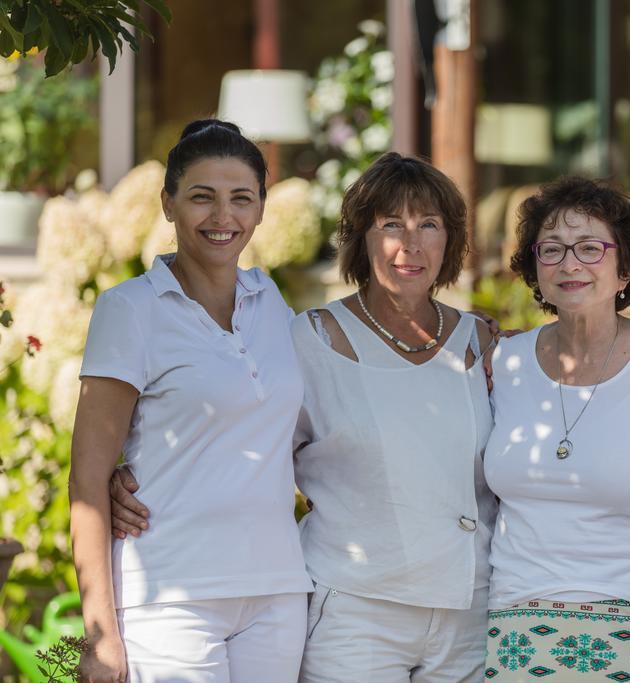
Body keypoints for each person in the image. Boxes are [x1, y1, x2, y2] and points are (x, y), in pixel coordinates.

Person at [109, 152, 496, 682]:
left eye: (429, 225)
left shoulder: (487, 344)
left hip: (467, 613)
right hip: (355, 614)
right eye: (390, 225)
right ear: (360, 237)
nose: (411, 244)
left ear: (450, 239)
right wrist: (126, 477)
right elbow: (237, 430)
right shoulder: (306, 339)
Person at [70, 120, 312, 683]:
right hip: (169, 597)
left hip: (275, 591)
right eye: (202, 197)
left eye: (241, 200)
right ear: (169, 205)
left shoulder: (272, 303)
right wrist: (99, 635)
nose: (223, 217)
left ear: (260, 210)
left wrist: (461, 337)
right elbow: (86, 480)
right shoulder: (129, 309)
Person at [483, 176, 630, 681]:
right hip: (513, 625)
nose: (570, 264)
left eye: (591, 248)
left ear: (627, 269)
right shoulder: (502, 364)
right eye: (551, 249)